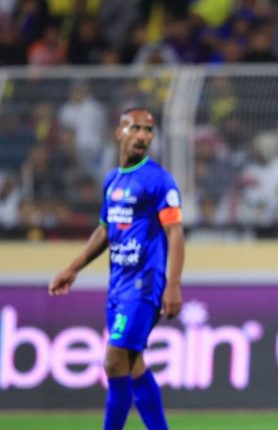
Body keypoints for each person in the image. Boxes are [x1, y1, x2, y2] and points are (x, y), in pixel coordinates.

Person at [49, 108, 185, 430]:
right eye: (135, 128)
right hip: (118, 288)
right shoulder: (112, 180)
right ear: (119, 132)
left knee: (113, 361)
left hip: (143, 287)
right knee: (132, 366)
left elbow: (175, 233)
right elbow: (105, 230)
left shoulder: (158, 181)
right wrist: (73, 268)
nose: (142, 136)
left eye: (148, 130)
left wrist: (173, 284)